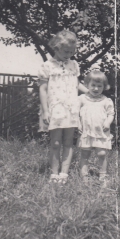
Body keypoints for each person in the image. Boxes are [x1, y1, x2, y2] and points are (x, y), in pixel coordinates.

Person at [38, 30, 88, 184]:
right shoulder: (47, 66)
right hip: (55, 109)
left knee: (68, 142)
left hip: (71, 108)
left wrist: (91, 94)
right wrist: (45, 111)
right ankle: (54, 173)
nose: (69, 54)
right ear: (56, 47)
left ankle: (64, 174)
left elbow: (76, 83)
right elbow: (43, 89)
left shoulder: (74, 65)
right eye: (66, 51)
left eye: (72, 52)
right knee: (55, 142)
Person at [78, 70, 114, 184]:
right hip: (86, 131)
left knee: (101, 153)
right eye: (93, 85)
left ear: (104, 87)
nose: (96, 89)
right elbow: (75, 113)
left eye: (99, 86)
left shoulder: (106, 101)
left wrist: (108, 122)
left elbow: (111, 114)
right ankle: (84, 175)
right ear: (87, 85)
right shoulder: (82, 99)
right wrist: (78, 124)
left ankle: (103, 175)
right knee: (85, 153)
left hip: (101, 132)